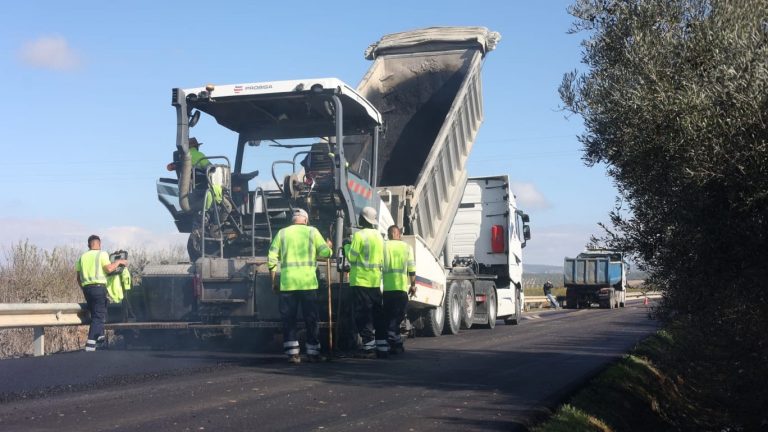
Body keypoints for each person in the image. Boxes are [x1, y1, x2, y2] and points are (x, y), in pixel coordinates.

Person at [268, 208, 333, 364]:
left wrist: (273, 282)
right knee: (311, 319)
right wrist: (328, 246)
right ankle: (313, 353)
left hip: (288, 284)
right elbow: (325, 254)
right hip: (307, 284)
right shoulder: (312, 232)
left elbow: (271, 258)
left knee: (289, 320)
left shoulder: (282, 233)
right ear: (305, 219)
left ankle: (292, 354)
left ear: (293, 219)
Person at [75, 235, 128, 352]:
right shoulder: (102, 254)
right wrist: (119, 262)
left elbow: (78, 278)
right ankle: (90, 344)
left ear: (89, 245)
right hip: (98, 288)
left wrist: (84, 287)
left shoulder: (82, 257)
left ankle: (100, 338)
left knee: (96, 314)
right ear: (99, 244)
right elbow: (109, 269)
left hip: (87, 289)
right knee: (99, 316)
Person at [346, 206, 385, 359]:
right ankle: (381, 345)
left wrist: (346, 245)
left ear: (362, 219)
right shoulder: (379, 236)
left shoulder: (359, 236)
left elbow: (352, 257)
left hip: (360, 280)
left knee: (363, 315)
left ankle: (368, 347)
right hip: (375, 281)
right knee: (376, 314)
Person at [382, 225, 416, 355]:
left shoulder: (383, 246)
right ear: (398, 234)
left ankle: (394, 341)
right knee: (398, 316)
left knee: (389, 316)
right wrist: (413, 285)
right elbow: (411, 268)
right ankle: (394, 340)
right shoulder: (407, 247)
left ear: (389, 234)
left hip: (387, 289)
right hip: (401, 288)